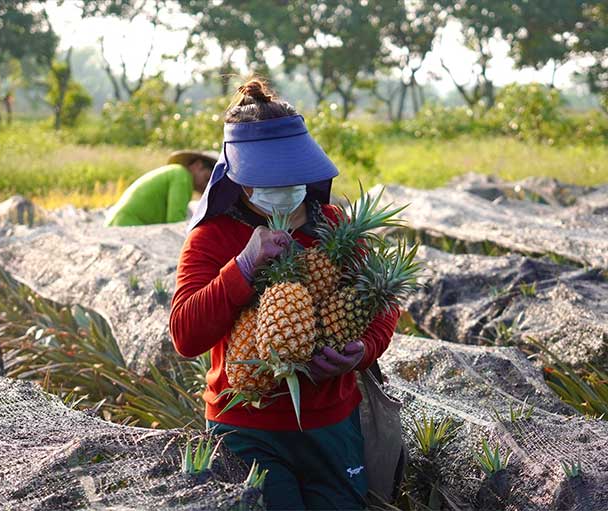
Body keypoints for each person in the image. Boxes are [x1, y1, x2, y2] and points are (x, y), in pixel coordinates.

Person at [169, 79, 399, 510]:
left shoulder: (334, 225)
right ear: (238, 175)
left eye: (292, 172)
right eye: (268, 175)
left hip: (331, 423)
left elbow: (383, 307)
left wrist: (363, 350)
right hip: (245, 428)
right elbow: (185, 335)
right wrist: (243, 265)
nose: (284, 182)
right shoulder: (212, 236)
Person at [104, 150, 217, 227]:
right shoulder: (182, 176)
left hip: (117, 221)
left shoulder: (176, 174)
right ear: (198, 165)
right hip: (127, 224)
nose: (206, 186)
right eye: (207, 178)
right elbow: (175, 220)